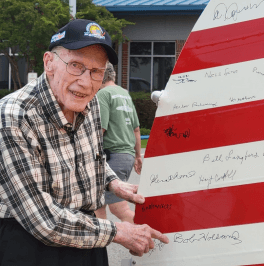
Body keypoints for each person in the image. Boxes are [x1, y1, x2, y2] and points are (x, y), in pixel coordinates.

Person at [0, 19, 168, 266]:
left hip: (87, 238)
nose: (86, 82)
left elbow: (92, 155)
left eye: (96, 71)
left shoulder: (92, 104)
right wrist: (119, 232)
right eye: (76, 66)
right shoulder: (13, 116)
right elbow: (42, 220)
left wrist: (112, 183)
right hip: (31, 242)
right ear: (49, 63)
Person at [95, 62, 142, 224]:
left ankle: (149, 232)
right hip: (126, 156)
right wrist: (137, 156)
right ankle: (100, 247)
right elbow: (136, 129)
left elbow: (101, 129)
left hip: (112, 155)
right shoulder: (124, 94)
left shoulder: (103, 94)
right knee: (98, 204)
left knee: (118, 208)